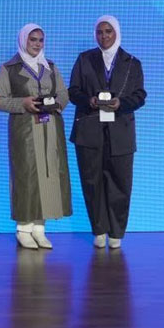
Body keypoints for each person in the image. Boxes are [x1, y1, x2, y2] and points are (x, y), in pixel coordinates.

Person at [0, 24, 72, 249]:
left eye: (40, 40)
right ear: (23, 40)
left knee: (49, 174)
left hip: (50, 129)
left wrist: (56, 104)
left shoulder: (50, 67)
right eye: (32, 39)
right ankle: (23, 229)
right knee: (26, 176)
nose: (37, 44)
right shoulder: (9, 68)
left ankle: (39, 229)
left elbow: (64, 94)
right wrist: (23, 103)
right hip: (25, 131)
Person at [68, 15, 146, 249]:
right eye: (100, 32)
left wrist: (121, 104)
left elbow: (140, 95)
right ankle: (99, 229)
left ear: (117, 33)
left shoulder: (132, 63)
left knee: (120, 183)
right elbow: (73, 91)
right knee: (92, 182)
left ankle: (116, 232)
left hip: (121, 132)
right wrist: (89, 100)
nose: (104, 36)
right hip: (89, 131)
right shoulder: (84, 59)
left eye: (108, 31)